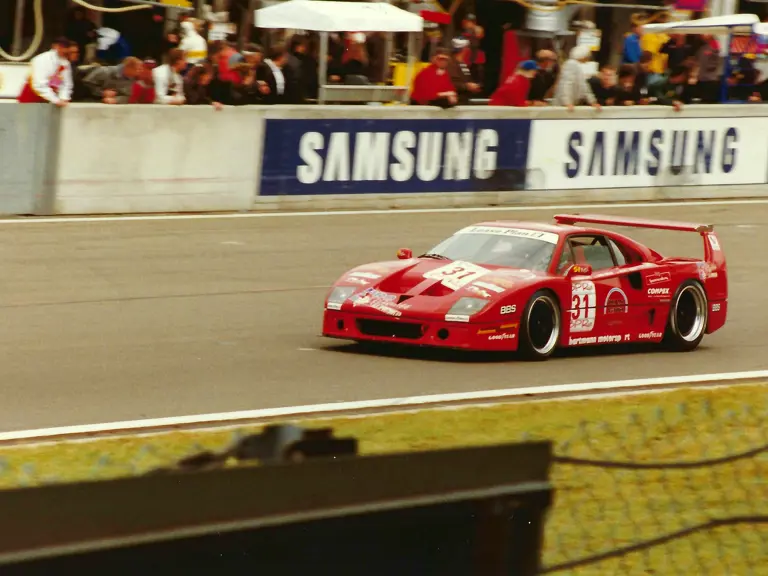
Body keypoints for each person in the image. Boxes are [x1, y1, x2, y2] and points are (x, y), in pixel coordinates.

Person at [17, 37, 73, 106]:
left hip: (49, 99)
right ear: (55, 46)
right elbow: (39, 85)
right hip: (32, 97)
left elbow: (66, 84)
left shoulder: (65, 62)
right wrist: (56, 100)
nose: (65, 51)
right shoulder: (42, 59)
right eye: (62, 47)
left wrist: (64, 98)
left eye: (66, 48)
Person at [552, 45, 600, 111]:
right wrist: (567, 102)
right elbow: (566, 84)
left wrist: (592, 102)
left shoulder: (577, 66)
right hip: (563, 106)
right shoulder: (571, 64)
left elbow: (584, 86)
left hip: (569, 105)